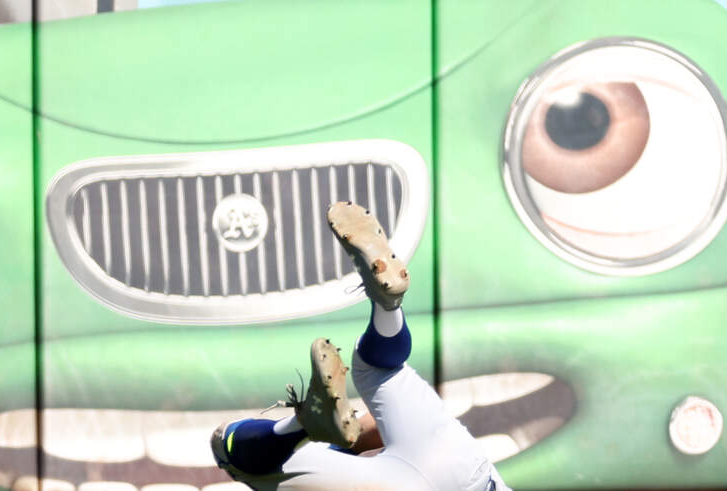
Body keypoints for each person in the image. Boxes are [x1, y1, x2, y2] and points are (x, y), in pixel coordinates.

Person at [210, 201, 511, 491]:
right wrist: (340, 432)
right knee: (233, 448)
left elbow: (370, 433)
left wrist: (335, 433)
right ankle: (307, 424)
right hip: (459, 470)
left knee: (381, 371)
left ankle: (388, 308)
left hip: (457, 455)